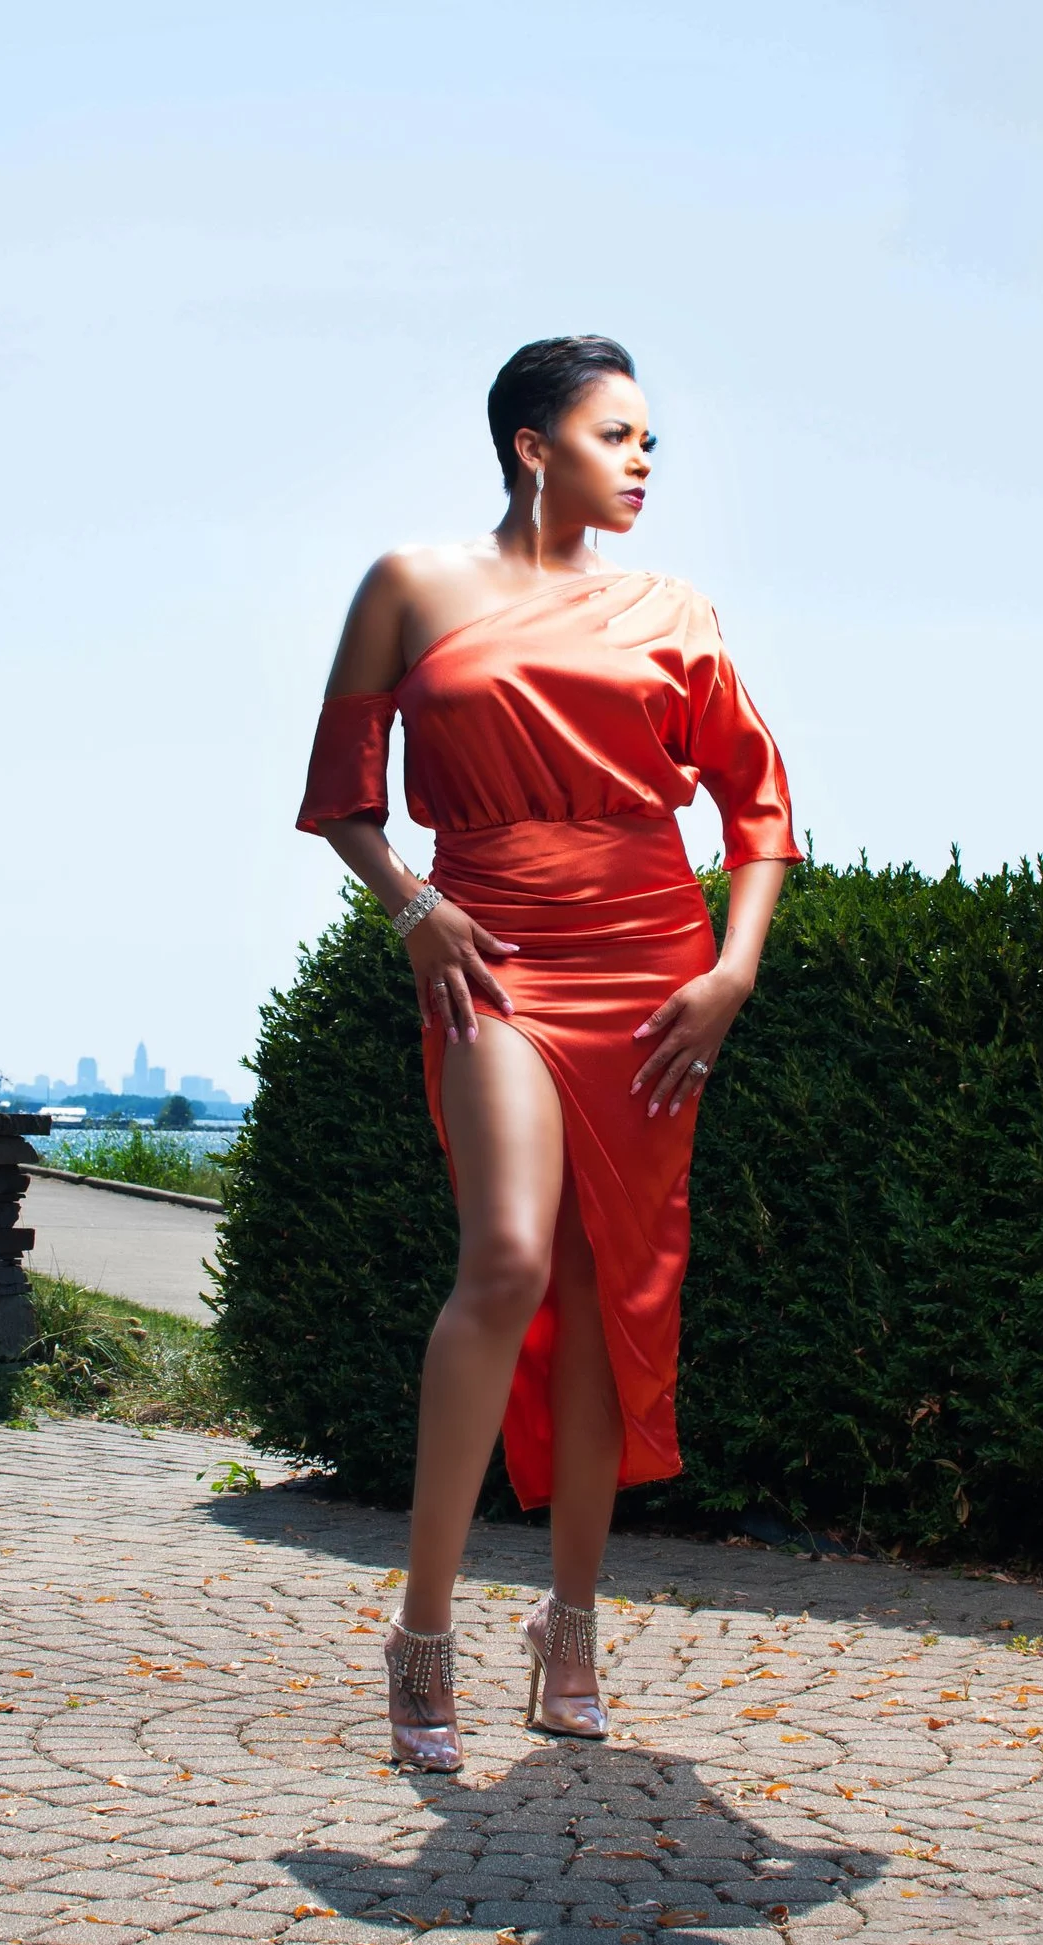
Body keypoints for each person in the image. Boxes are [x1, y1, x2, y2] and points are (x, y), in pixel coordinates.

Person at [296, 336, 800, 1768]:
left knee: (607, 1287)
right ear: (533, 445)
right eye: (617, 435)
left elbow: (761, 815)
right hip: (495, 956)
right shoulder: (410, 586)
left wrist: (732, 971)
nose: (643, 463)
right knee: (509, 1258)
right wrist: (417, 910)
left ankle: (567, 1628)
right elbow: (343, 800)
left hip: (651, 966)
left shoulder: (674, 609)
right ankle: (425, 1632)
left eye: (652, 444)